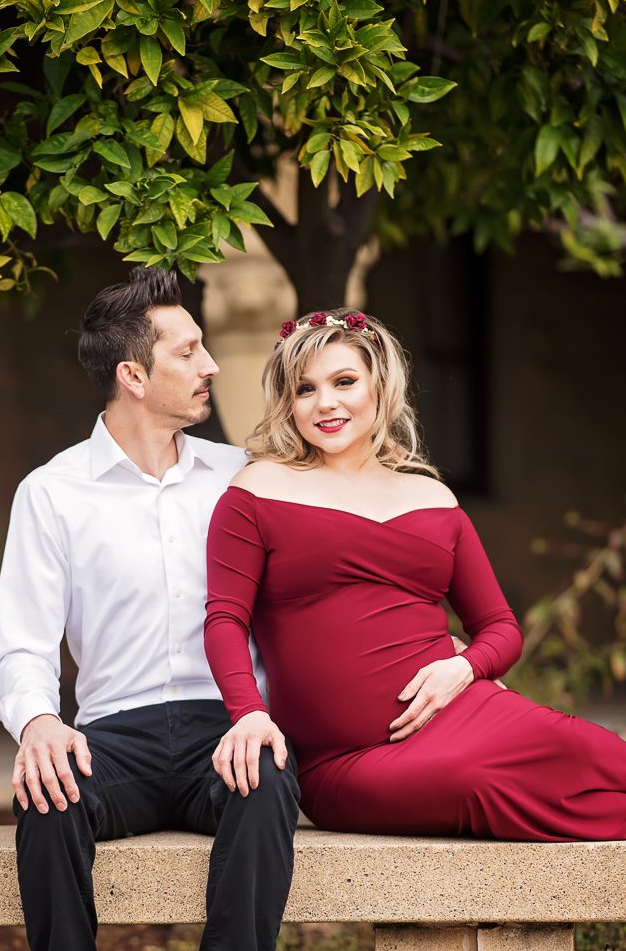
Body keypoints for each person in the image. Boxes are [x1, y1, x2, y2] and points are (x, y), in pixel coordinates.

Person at [204, 309, 626, 841]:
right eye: (304, 389)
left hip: (469, 709)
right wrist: (249, 714)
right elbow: (224, 618)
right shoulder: (259, 489)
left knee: (598, 753)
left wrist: (465, 669)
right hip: (347, 762)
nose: (325, 403)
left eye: (344, 382)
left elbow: (500, 628)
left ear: (380, 386)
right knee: (475, 784)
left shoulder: (432, 498)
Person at [0, 268, 300, 951]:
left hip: (224, 732)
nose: (210, 365)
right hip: (112, 741)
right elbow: (22, 646)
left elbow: (311, 592)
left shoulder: (239, 475)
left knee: (269, 778)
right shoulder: (52, 492)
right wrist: (40, 723)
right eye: (187, 353)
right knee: (46, 791)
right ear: (133, 375)